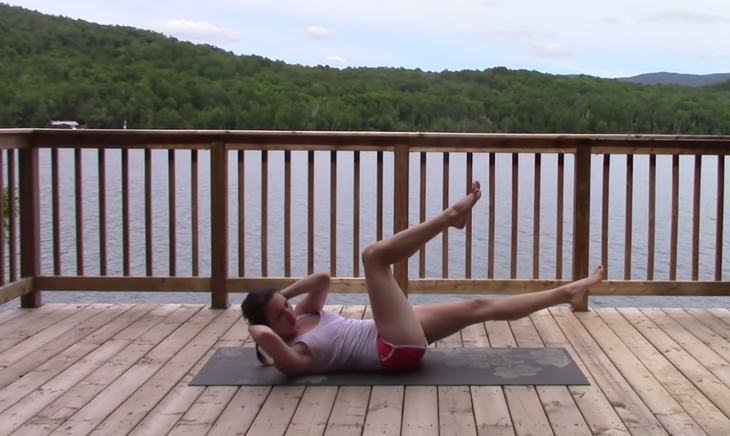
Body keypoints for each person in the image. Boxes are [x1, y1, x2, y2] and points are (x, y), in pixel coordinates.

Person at [241, 181, 604, 376]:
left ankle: (567, 293)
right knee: (373, 258)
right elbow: (263, 337)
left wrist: (278, 296)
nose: (290, 312)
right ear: (268, 329)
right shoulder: (295, 353)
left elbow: (321, 279)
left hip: (390, 333)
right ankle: (450, 217)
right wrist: (263, 332)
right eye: (280, 315)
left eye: (285, 306)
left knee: (480, 306)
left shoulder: (302, 315)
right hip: (392, 348)